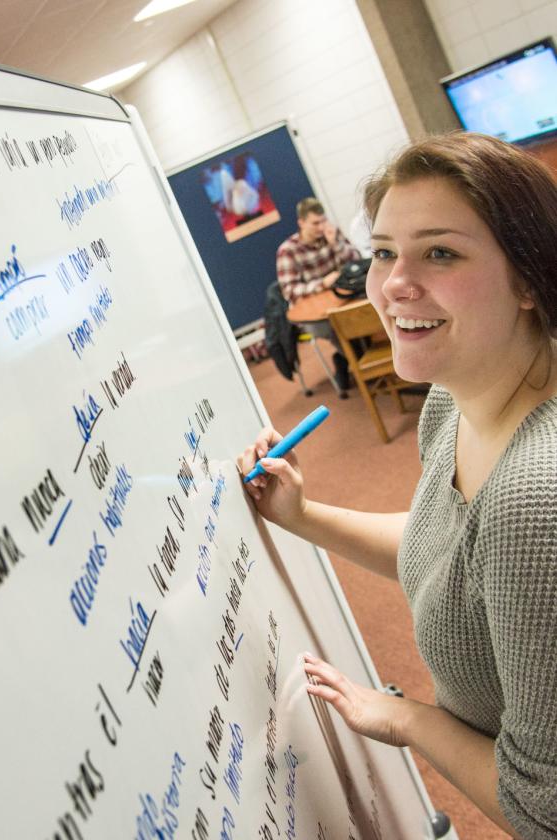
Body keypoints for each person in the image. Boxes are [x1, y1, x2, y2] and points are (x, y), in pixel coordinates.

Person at [241, 133, 557, 838]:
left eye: (440, 252)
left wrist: (410, 718)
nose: (392, 284)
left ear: (531, 277)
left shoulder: (535, 492)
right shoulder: (452, 401)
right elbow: (448, 552)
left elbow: (544, 810)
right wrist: (305, 514)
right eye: (384, 251)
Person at [276, 197, 361, 393]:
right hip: (314, 316)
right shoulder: (288, 251)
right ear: (301, 223)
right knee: (338, 327)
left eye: (323, 221)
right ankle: (354, 359)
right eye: (316, 223)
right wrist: (321, 284)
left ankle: (349, 358)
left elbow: (357, 262)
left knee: (364, 313)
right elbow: (290, 290)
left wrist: (335, 244)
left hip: (343, 299)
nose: (321, 227)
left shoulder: (331, 233)